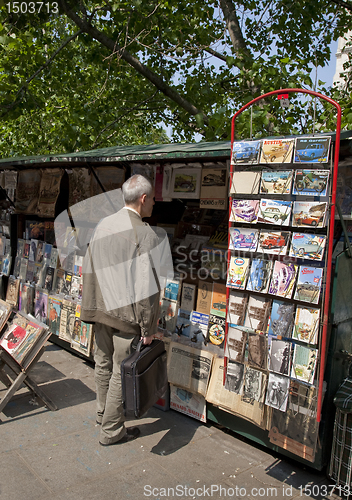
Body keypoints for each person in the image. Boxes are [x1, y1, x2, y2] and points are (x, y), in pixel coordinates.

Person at [80, 174, 172, 446]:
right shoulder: (144, 234)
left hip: (100, 310)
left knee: (103, 361)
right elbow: (147, 289)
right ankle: (110, 430)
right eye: (153, 200)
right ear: (143, 199)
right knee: (121, 369)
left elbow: (89, 266)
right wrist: (148, 328)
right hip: (125, 317)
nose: (154, 205)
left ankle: (102, 413)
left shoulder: (103, 224)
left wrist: (91, 307)